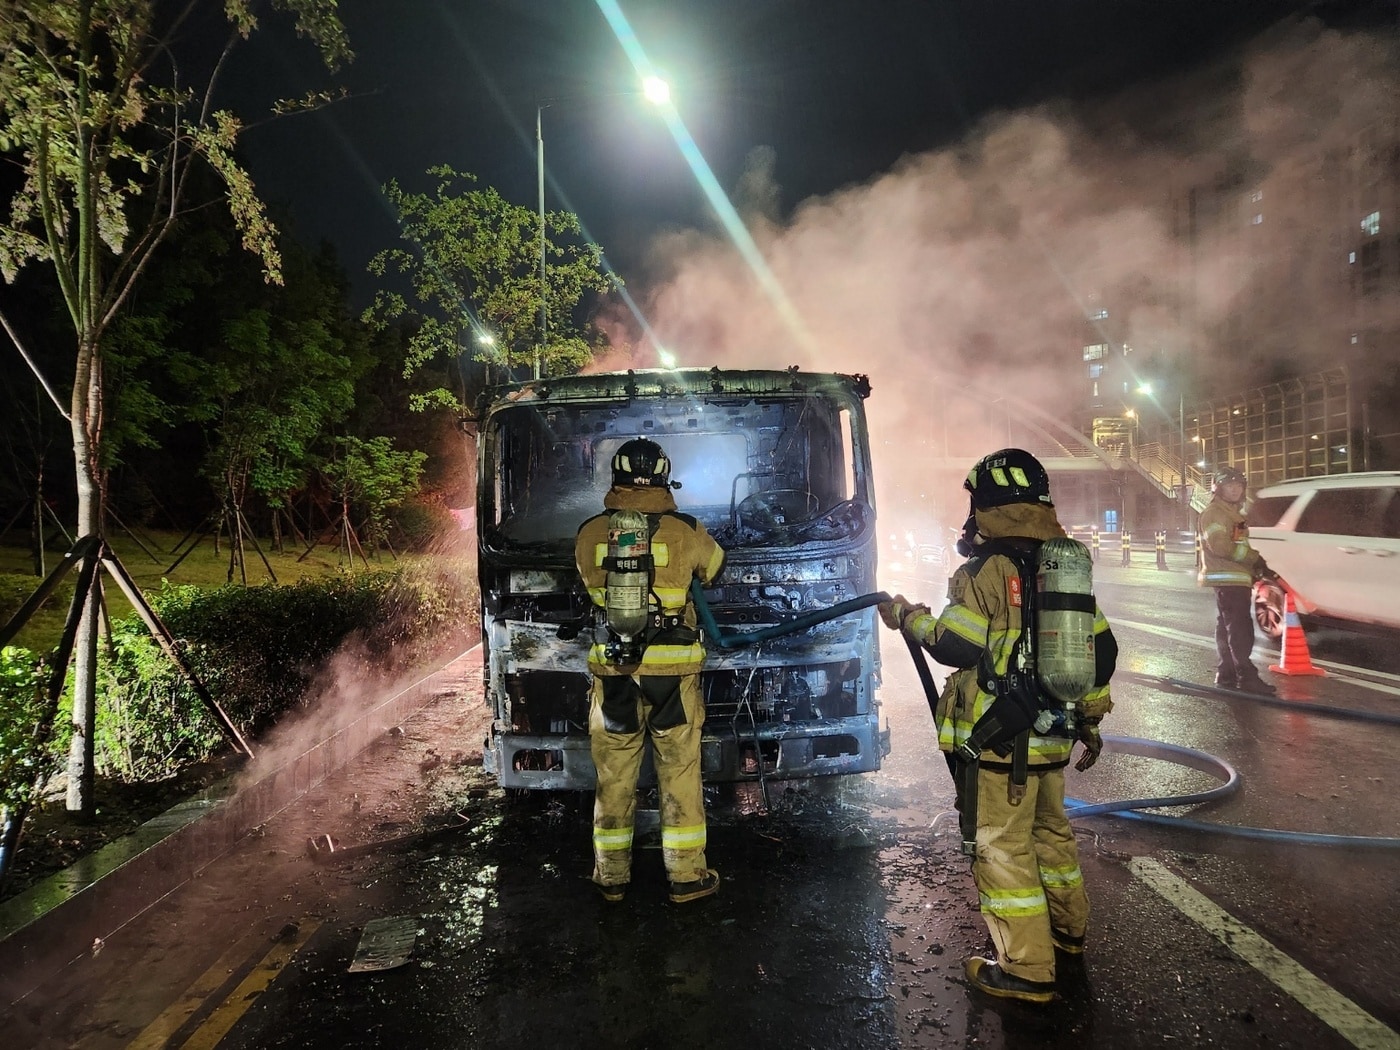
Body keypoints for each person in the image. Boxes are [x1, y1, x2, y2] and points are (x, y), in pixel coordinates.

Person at [878, 449, 1117, 1004]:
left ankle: (1027, 969)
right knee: (1051, 835)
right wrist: (1090, 720)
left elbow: (955, 645)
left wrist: (907, 618)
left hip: (1000, 739)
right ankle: (1068, 934)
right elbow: (1099, 653)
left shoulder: (984, 571)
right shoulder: (1064, 569)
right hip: (1054, 734)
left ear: (984, 504)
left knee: (1002, 847)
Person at [574, 437, 726, 904]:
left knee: (614, 775)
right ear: (664, 474)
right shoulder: (686, 529)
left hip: (614, 673)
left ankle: (612, 877)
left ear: (614, 476)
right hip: (672, 676)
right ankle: (686, 877)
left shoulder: (590, 531)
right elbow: (716, 570)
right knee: (678, 770)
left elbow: (583, 583)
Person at [1197, 466, 1277, 695]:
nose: (1235, 490)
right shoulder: (1215, 513)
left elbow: (1237, 545)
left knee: (1227, 628)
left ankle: (1227, 673)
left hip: (1236, 577)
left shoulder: (1234, 515)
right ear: (1218, 488)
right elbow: (1221, 547)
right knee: (1240, 628)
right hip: (1228, 577)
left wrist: (1256, 566)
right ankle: (1246, 676)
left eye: (1238, 485)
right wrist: (1254, 558)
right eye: (1229, 485)